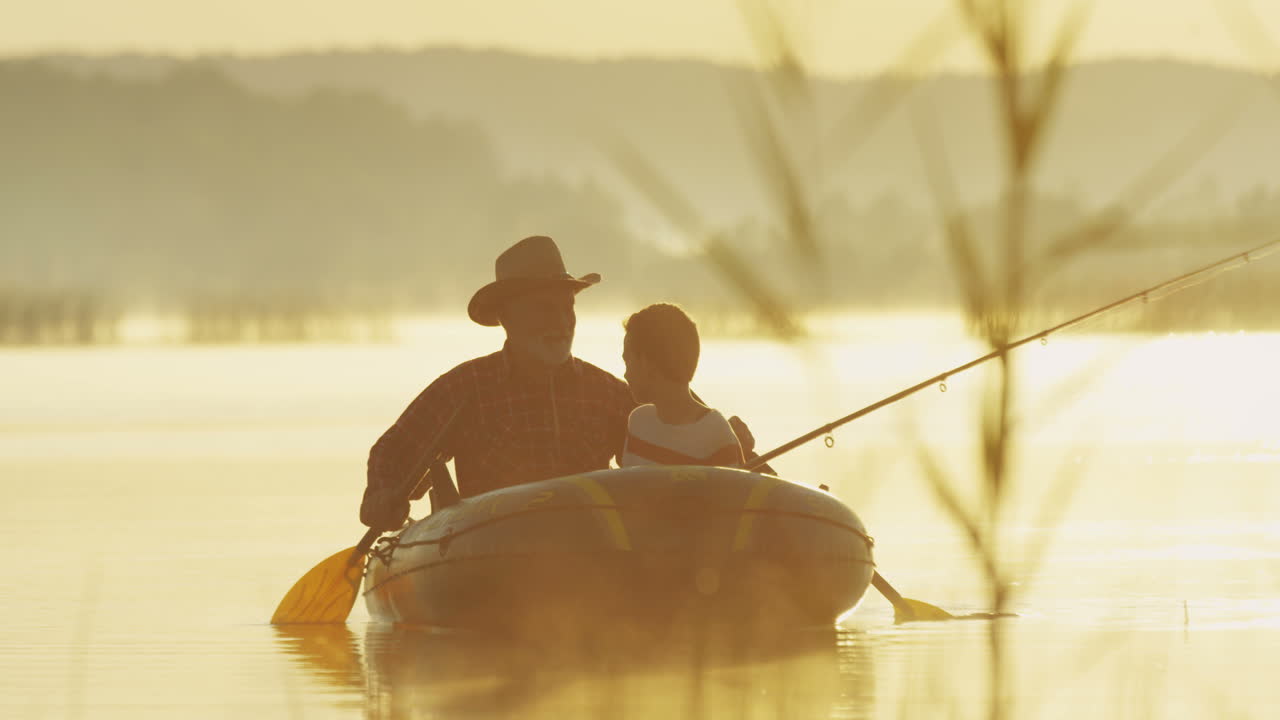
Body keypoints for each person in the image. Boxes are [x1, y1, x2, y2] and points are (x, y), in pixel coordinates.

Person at [359, 235, 763, 531]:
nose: (561, 322)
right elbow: (392, 452)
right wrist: (382, 497)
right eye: (543, 309)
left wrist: (736, 448)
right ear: (507, 318)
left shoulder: (608, 394)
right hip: (489, 558)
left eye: (567, 307)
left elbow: (681, 441)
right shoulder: (465, 388)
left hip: (591, 561)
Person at [619, 303, 744, 468]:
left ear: (649, 363)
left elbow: (732, 493)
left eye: (628, 361)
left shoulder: (716, 433)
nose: (625, 374)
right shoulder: (638, 423)